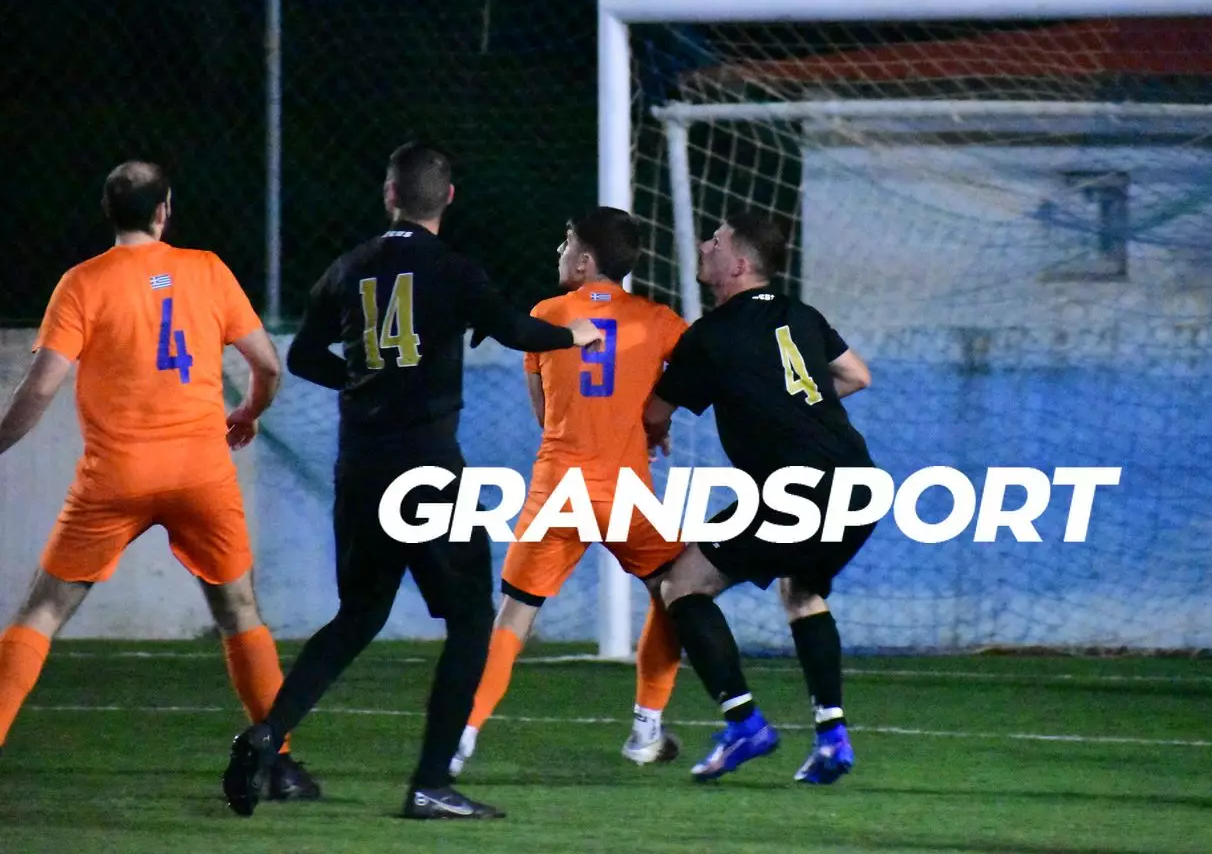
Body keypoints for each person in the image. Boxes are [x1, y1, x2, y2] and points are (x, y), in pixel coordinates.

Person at [220, 142, 602, 820]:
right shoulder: (453, 268)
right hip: (427, 466)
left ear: (389, 195)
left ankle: (268, 734)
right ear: (448, 198)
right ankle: (430, 784)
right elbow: (514, 329)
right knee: (472, 620)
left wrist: (362, 381)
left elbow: (303, 356)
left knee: (358, 615)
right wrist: (577, 338)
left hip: (361, 465)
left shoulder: (348, 267)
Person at [0, 161, 319, 800]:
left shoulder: (82, 282)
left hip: (115, 475)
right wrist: (247, 412)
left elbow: (40, 387)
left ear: (108, 210)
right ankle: (278, 764)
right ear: (164, 210)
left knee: (43, 610)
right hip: (201, 471)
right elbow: (268, 365)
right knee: (239, 611)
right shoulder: (207, 270)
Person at [450, 207, 690, 778]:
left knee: (514, 618)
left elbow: (544, 414)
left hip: (558, 487)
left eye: (565, 243)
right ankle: (645, 730)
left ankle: (459, 740)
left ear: (584, 261)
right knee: (677, 592)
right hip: (625, 494)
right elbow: (693, 375)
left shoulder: (547, 315)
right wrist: (654, 422)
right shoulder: (659, 320)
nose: (558, 252)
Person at [641, 211, 876, 785]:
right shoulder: (801, 314)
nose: (705, 245)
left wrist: (654, 426)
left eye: (716, 241)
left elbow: (653, 413)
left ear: (740, 265)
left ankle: (744, 723)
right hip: (860, 481)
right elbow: (856, 376)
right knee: (802, 592)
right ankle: (832, 738)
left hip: (796, 488)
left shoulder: (712, 335)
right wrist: (796, 404)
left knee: (681, 586)